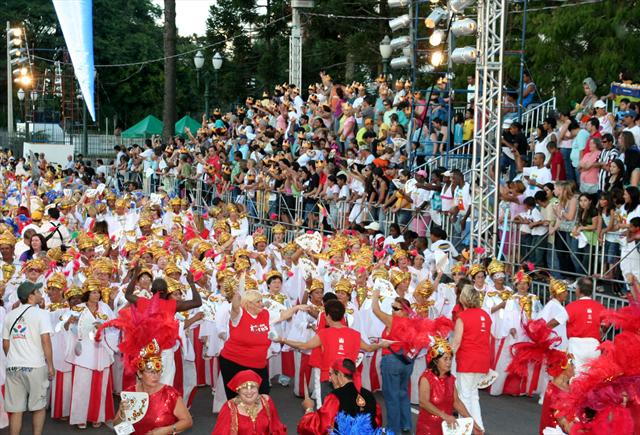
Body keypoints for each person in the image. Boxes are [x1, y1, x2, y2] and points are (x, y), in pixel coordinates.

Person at [108, 293, 193, 435]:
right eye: (151, 372)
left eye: (158, 371)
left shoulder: (170, 394)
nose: (156, 376)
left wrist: (165, 430)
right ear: (140, 373)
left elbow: (188, 421)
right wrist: (122, 414)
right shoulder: (131, 393)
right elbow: (119, 427)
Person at [219, 284, 307, 399]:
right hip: (234, 363)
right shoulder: (239, 315)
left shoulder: (265, 314)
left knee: (263, 394)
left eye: (261, 301)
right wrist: (235, 293)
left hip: (258, 364)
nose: (262, 304)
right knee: (238, 399)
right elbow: (235, 307)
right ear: (248, 304)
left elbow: (283, 315)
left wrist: (296, 308)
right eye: (258, 301)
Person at [2, 281, 54, 435]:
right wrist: (50, 365)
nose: (40, 294)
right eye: (37, 291)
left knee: (16, 409)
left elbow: (5, 344)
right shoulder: (41, 314)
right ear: (31, 296)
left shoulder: (10, 315)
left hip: (13, 366)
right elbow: (45, 340)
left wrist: (14, 357)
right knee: (38, 407)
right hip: (35, 366)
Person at [507, 319, 575, 435]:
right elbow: (566, 425)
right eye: (572, 364)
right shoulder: (555, 393)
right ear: (564, 370)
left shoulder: (563, 387)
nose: (574, 367)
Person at [298, 358, 382, 435]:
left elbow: (320, 427)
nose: (330, 379)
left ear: (340, 374)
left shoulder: (335, 397)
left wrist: (309, 409)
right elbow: (377, 423)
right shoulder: (369, 395)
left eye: (331, 374)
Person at [417, 337, 482, 435]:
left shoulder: (450, 379)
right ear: (435, 361)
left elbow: (457, 402)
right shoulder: (426, 378)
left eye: (450, 359)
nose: (449, 362)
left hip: (447, 428)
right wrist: (444, 416)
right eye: (445, 359)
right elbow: (423, 402)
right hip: (428, 429)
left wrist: (473, 422)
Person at [451, 284, 490, 433]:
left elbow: (457, 342)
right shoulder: (485, 315)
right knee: (473, 395)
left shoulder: (463, 317)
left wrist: (447, 357)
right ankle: (478, 428)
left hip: (467, 359)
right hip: (482, 359)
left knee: (464, 396)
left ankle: (464, 430)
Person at [212, 369, 287, 435]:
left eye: (253, 387)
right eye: (244, 388)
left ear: (258, 388)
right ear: (238, 391)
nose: (249, 391)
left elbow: (276, 427)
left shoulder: (266, 401)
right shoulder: (229, 408)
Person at [565, 277, 604, 374]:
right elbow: (605, 324)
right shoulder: (600, 306)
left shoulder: (571, 306)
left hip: (576, 346)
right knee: (592, 379)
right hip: (595, 346)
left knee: (575, 379)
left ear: (578, 290)